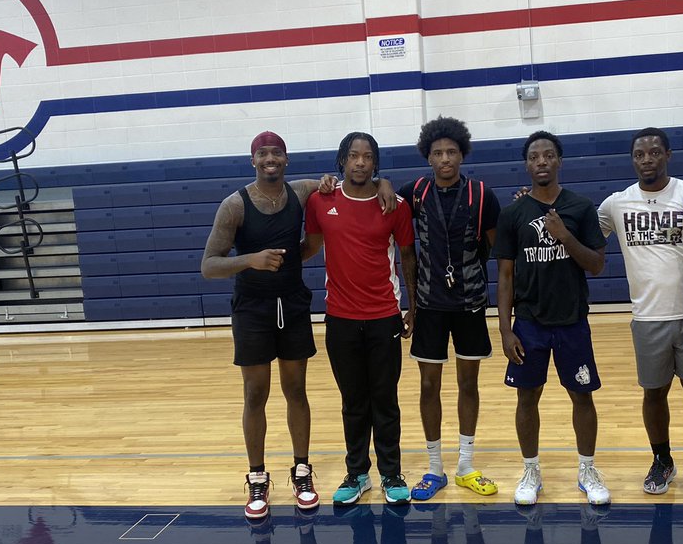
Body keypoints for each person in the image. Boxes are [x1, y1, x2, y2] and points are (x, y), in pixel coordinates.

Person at [200, 131, 395, 521]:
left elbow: (352, 183)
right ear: (252, 160)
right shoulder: (234, 205)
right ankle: (257, 477)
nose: (270, 159)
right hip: (252, 308)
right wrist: (250, 260)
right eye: (262, 154)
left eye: (277, 153)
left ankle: (302, 472)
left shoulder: (305, 191)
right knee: (256, 393)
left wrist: (385, 181)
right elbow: (209, 265)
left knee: (296, 391)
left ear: (286, 160)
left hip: (291, 304)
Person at [597, 127, 683, 502]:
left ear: (667, 155)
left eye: (653, 152)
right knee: (654, 393)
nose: (647, 159)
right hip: (647, 316)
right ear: (632, 159)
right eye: (639, 154)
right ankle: (662, 459)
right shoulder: (615, 204)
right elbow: (580, 235)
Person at [493, 130, 610, 507]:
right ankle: (531, 470)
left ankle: (587, 469)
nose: (541, 162)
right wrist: (505, 329)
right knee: (527, 398)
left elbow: (596, 264)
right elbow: (506, 276)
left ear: (559, 161)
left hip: (572, 321)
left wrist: (564, 236)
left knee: (583, 396)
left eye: (548, 155)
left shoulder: (580, 207)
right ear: (527, 164)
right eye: (534, 156)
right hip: (529, 324)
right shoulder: (513, 214)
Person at [304, 132, 417, 506]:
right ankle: (358, 473)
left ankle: (391, 472)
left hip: (384, 316)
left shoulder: (394, 205)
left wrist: (411, 306)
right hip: (340, 318)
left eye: (368, 157)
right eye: (353, 156)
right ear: (341, 161)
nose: (360, 163)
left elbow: (407, 256)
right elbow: (312, 246)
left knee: (384, 400)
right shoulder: (321, 201)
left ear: (375, 163)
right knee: (353, 401)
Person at [398, 116, 501, 501]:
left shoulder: (480, 194)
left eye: (452, 151)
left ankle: (465, 466)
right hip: (429, 305)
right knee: (429, 385)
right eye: (438, 152)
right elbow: (385, 203)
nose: (445, 158)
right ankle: (435, 468)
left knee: (468, 383)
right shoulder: (414, 192)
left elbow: (495, 245)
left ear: (462, 153)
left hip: (470, 303)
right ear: (428, 156)